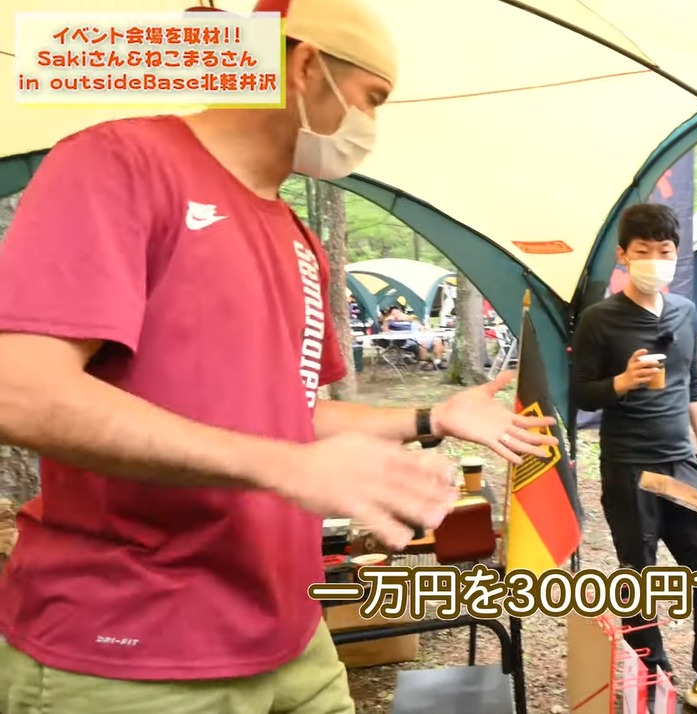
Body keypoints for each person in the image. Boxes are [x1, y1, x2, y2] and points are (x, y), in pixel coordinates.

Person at [0, 1, 556, 712]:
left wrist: (431, 417)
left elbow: (293, 415)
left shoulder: (296, 235)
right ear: (305, 67)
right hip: (131, 651)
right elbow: (21, 391)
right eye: (372, 98)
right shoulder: (121, 160)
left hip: (290, 631)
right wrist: (287, 467)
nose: (371, 126)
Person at [572, 203, 697, 714]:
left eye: (665, 252)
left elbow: (693, 381)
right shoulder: (599, 319)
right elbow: (581, 392)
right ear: (623, 256)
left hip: (681, 462)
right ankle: (651, 680)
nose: (655, 261)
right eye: (643, 252)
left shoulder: (685, 310)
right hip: (628, 466)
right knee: (639, 575)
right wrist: (622, 381)